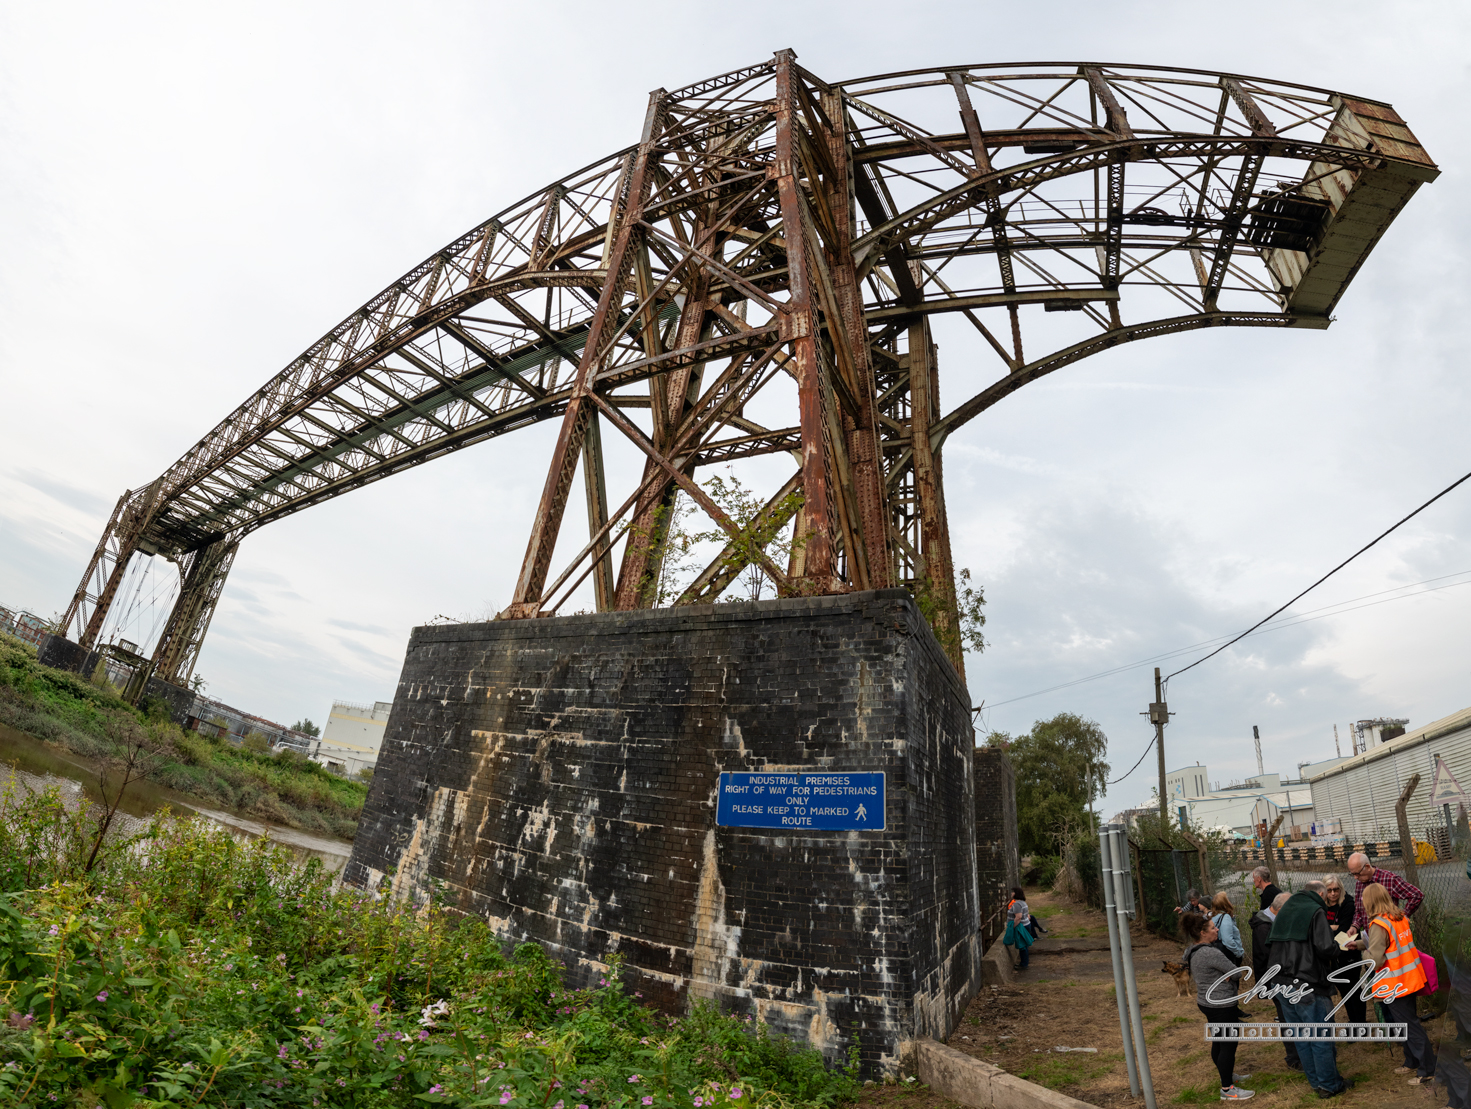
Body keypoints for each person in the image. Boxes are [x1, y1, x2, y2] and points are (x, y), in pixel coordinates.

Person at [1268, 880, 1352, 1098]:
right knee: (1320, 1035)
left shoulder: (1286, 909)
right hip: (1307, 982)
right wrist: (1338, 947)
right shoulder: (1315, 911)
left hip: (1280, 981)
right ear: (1321, 894)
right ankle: (1329, 1085)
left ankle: (1316, 1082)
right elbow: (1325, 948)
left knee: (1302, 1035)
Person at [1360, 881, 1437, 1086]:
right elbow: (1390, 944)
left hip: (1394, 984)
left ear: (1369, 902)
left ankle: (1428, 1069)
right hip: (1410, 978)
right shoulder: (1398, 917)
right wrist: (1362, 942)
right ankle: (1411, 1061)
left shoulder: (1379, 924)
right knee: (1407, 1022)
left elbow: (1374, 959)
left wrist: (1362, 952)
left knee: (1409, 1026)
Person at [1182, 911, 1255, 1101]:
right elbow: (1239, 973)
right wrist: (1229, 974)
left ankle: (1227, 1076)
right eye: (1213, 928)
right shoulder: (1210, 952)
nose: (1217, 930)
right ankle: (1227, 1089)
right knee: (1228, 1045)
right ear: (1202, 932)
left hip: (1206, 1002)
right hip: (1221, 1004)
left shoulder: (1191, 950)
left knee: (1218, 1040)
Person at [1250, 891, 1300, 1072]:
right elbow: (1272, 956)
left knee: (1289, 1016)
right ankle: (1294, 1057)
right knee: (1287, 1018)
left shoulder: (1267, 922)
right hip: (1277, 980)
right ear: (1281, 910)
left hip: (1279, 978)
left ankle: (1297, 1053)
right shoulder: (1265, 927)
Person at [1321, 876, 1366, 1027]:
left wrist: (1330, 928)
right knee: (1344, 990)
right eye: (1329, 890)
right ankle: (1353, 1020)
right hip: (1333, 955)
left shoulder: (1348, 903)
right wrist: (1333, 928)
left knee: (1353, 988)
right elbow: (1318, 930)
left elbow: (1344, 931)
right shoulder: (1322, 906)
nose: (1333, 893)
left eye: (1336, 890)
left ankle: (1360, 1023)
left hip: (1349, 952)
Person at [1346, 851, 1424, 935]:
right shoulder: (1359, 883)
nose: (1355, 877)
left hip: (1390, 935)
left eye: (1357, 873)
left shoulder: (1389, 879)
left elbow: (1416, 895)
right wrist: (1355, 926)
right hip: (1371, 936)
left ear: (1368, 867)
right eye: (1352, 874)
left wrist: (1402, 916)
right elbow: (1359, 910)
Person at [1211, 892, 1245, 964]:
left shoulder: (1214, 916)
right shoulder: (1225, 917)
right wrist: (1238, 953)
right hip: (1229, 955)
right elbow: (1227, 940)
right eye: (1228, 900)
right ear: (1225, 903)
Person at [1005, 886, 1034, 970]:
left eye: (1012, 892)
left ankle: (1024, 964)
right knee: (1024, 945)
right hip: (1026, 924)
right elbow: (1027, 915)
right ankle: (1024, 962)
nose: (1011, 893)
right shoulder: (1023, 902)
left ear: (1016, 894)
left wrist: (1012, 927)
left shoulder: (1017, 904)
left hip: (1021, 927)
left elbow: (1018, 917)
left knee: (1022, 946)